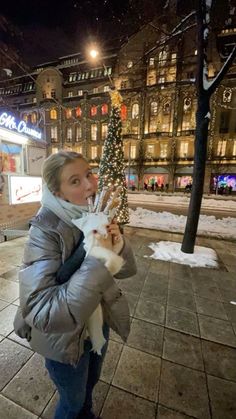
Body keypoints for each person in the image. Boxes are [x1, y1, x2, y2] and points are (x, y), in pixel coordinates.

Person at [14, 150, 137, 419]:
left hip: (96, 325)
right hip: (62, 339)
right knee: (72, 401)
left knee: (91, 384)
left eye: (89, 173)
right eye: (75, 181)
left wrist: (118, 245)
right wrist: (98, 257)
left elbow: (127, 271)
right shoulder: (44, 230)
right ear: (58, 193)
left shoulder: (96, 216)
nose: (91, 184)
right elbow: (41, 308)